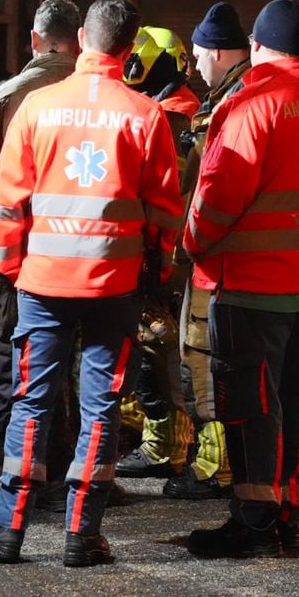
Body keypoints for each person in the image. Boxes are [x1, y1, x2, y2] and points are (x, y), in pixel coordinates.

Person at [0, 0, 183, 567]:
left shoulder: (38, 107)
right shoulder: (145, 116)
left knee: (32, 405)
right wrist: (157, 273)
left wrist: (14, 267)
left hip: (41, 284)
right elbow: (166, 213)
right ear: (126, 47)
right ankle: (81, 535)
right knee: (101, 409)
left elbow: (7, 201)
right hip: (113, 289)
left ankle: (6, 531)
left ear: (84, 38)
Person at [182, 0, 299, 558]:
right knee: (296, 397)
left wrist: (191, 242)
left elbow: (219, 194)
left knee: (251, 403)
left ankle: (252, 519)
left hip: (251, 284)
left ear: (256, 45)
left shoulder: (251, 104)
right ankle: (287, 509)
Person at [0, 0, 82, 447]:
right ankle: (70, 441)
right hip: (83, 239)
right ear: (80, 41)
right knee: (75, 344)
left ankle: (16, 438)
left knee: (10, 334)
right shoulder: (102, 94)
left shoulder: (8, 94)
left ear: (35, 39)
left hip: (14, 232)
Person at [163, 1, 252, 501]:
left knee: (203, 352)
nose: (194, 65)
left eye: (198, 55)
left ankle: (215, 466)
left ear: (218, 52)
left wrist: (186, 245)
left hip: (217, 257)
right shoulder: (232, 95)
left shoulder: (228, 105)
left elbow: (205, 185)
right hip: (236, 258)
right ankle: (219, 460)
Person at [114, 26, 198, 481]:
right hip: (183, 250)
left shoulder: (167, 118)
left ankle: (163, 446)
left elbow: (161, 198)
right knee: (170, 347)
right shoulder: (186, 111)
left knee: (154, 344)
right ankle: (169, 438)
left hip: (164, 252)